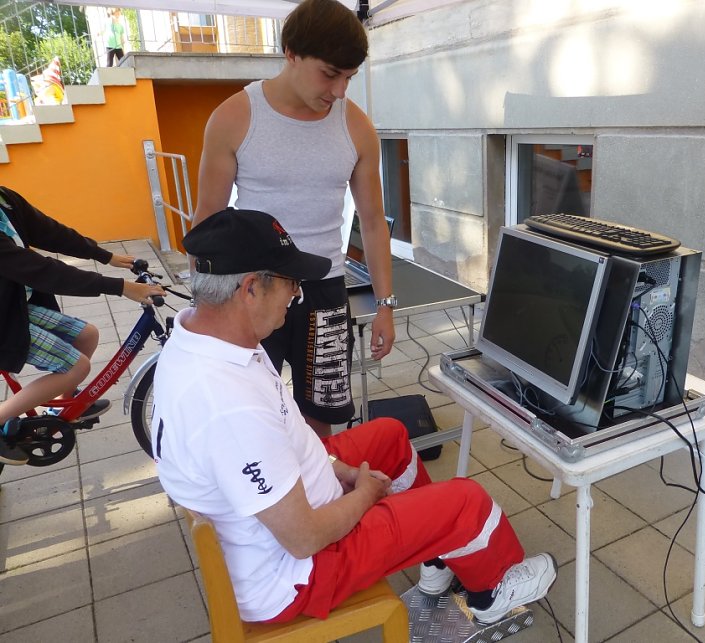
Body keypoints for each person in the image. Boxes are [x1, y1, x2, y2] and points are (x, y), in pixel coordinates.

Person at [153, 208, 558, 625]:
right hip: (298, 574)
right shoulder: (228, 403)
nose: (296, 295)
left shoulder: (208, 337)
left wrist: (338, 468)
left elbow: (289, 441)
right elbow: (303, 538)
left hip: (281, 521)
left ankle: (436, 554)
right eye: (291, 282)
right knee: (467, 502)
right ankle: (493, 593)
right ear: (251, 288)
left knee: (390, 436)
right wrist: (364, 495)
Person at [193, 0, 394, 438]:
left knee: (321, 414)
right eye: (330, 74)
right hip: (253, 287)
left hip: (324, 287)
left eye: (349, 77)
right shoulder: (234, 117)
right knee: (248, 411)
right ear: (291, 53)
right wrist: (205, 306)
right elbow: (207, 220)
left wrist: (385, 306)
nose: (339, 90)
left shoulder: (357, 127)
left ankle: (320, 480)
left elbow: (373, 222)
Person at [0, 186, 165, 465]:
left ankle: (65, 408)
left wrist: (103, 255)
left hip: (14, 305)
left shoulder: (5, 198)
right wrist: (120, 287)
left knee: (87, 335)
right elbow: (40, 270)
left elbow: (49, 231)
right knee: (76, 367)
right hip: (4, 318)